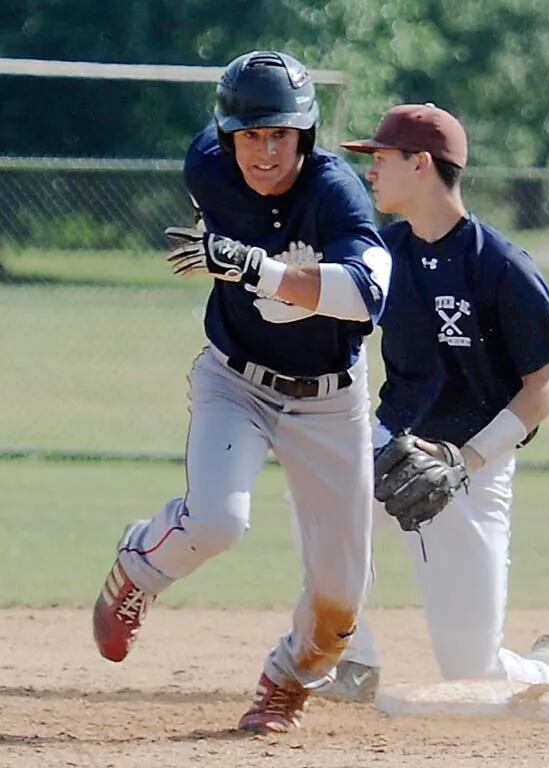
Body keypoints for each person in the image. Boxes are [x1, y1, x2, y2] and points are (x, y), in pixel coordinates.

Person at [91, 50, 392, 734]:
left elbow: (369, 294)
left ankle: (288, 678)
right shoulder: (207, 166)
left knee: (341, 598)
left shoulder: (335, 191)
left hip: (330, 398)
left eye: (278, 134)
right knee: (217, 521)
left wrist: (257, 267)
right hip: (235, 380)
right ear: (227, 136)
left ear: (305, 135)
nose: (262, 151)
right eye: (249, 135)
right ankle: (137, 567)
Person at [315, 103, 549, 701]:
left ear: (422, 164)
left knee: (471, 670)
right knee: (320, 496)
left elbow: (545, 388)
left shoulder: (501, 265)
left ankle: (543, 668)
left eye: (381, 159)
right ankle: (352, 658)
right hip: (391, 444)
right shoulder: (385, 256)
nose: (372, 172)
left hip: (472, 469)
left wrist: (467, 460)